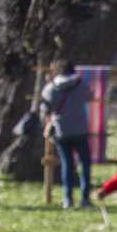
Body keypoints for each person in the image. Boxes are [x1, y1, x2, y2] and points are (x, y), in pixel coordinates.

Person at [40, 60, 93, 210]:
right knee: (85, 164)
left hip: (61, 130)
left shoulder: (51, 87)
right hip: (80, 129)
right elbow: (90, 96)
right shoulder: (80, 84)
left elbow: (44, 109)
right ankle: (85, 198)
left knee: (67, 164)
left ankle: (68, 199)